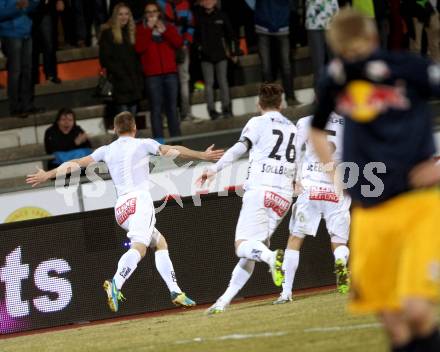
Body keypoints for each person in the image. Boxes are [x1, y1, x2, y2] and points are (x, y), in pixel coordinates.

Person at [310, 8, 440, 352]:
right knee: (393, 323)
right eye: (345, 54)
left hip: (417, 205)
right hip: (369, 213)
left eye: (356, 51)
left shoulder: (411, 69)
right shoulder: (335, 78)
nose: (352, 61)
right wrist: (333, 171)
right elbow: (316, 129)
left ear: (372, 39)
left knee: (416, 310)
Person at [27, 111, 224, 312]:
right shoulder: (143, 144)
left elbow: (75, 164)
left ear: (114, 129)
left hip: (121, 208)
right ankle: (116, 283)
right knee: (140, 247)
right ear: (134, 128)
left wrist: (48, 174)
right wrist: (202, 155)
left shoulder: (106, 150)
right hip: (139, 201)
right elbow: (173, 150)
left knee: (160, 242)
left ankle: (175, 291)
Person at [197, 83, 297, 314]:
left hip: (261, 190)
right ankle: (223, 301)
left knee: (242, 247)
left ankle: (273, 258)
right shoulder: (293, 128)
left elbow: (238, 149)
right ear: (281, 104)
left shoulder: (257, 123)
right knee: (254, 249)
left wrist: (214, 169)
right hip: (283, 196)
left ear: (258, 104)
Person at [273, 113, 351, 304]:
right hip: (336, 187)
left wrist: (294, 178)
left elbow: (294, 150)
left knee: (295, 238)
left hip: (310, 188)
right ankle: (340, 262)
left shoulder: (306, 121)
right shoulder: (347, 122)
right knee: (339, 241)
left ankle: (286, 292)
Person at [135, 1, 183, 142]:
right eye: (148, 12)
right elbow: (138, 49)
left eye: (154, 11)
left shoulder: (168, 26)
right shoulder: (141, 29)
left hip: (170, 74)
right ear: (145, 15)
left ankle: (177, 144)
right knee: (156, 111)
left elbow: (178, 43)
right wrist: (149, 30)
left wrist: (165, 32)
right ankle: (159, 145)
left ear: (159, 13)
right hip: (152, 76)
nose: (152, 15)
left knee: (172, 109)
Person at [247, 0, 300, 106]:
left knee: (285, 65)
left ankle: (290, 98)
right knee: (267, 67)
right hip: (263, 25)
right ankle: (270, 102)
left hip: (281, 24)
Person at [193, 0, 238, 120]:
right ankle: (212, 110)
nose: (208, 2)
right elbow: (195, 37)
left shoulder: (222, 15)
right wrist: (199, 49)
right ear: (201, 2)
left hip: (221, 55)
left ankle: (226, 108)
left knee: (223, 81)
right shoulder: (198, 17)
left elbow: (231, 35)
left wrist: (233, 52)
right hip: (205, 57)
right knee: (209, 84)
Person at [99, 3, 143, 116]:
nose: (124, 17)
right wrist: (121, 75)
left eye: (126, 14)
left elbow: (136, 60)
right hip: (119, 84)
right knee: (125, 123)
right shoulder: (108, 34)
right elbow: (105, 60)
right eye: (120, 14)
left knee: (131, 123)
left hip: (133, 85)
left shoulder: (131, 33)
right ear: (115, 16)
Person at [0, 0, 40, 117]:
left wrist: (32, 3)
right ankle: (15, 107)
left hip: (26, 32)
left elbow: (31, 6)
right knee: (15, 72)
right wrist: (17, 6)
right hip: (10, 34)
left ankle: (27, 105)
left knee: (27, 70)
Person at [157, 0, 195, 121]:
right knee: (167, 82)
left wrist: (185, 43)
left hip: (182, 48)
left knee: (183, 80)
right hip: (165, 49)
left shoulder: (185, 4)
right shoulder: (159, 4)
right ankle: (168, 115)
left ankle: (185, 113)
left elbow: (191, 26)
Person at [305, 0, 339, 91]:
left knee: (336, 63)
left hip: (333, 21)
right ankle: (320, 98)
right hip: (314, 23)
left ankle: (338, 95)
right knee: (318, 65)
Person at [32, 0, 63, 85]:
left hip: (46, 10)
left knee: (49, 44)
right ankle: (33, 78)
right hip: (29, 12)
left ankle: (50, 75)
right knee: (32, 47)